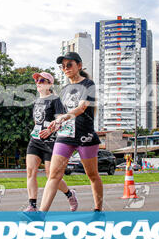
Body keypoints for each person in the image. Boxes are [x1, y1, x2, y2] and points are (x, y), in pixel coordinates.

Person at [40, 52, 102, 212]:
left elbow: (82, 107)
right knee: (53, 175)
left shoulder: (89, 85)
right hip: (65, 136)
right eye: (63, 66)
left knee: (92, 175)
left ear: (79, 66)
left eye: (69, 65)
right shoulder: (64, 89)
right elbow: (61, 113)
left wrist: (63, 118)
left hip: (85, 136)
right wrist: (54, 125)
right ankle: (41, 215)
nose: (65, 68)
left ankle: (98, 210)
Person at [24, 71, 78, 212]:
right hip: (35, 140)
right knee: (30, 171)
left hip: (51, 142)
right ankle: (32, 205)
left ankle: (69, 193)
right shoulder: (36, 101)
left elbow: (60, 121)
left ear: (49, 84)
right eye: (37, 80)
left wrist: (50, 130)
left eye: (42, 81)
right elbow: (37, 120)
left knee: (51, 175)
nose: (38, 83)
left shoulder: (55, 100)